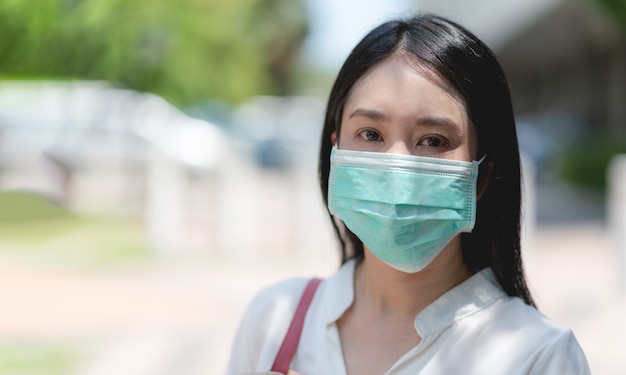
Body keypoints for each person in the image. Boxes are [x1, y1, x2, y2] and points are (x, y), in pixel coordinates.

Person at [226, 13, 591, 375]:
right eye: (370, 134)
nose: (396, 167)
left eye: (433, 140)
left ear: (483, 175)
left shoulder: (539, 356)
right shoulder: (276, 319)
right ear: (336, 151)